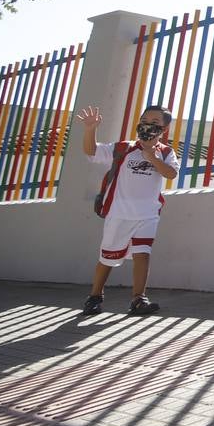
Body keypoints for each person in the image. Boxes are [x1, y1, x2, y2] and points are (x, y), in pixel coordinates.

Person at [77, 104, 180, 316]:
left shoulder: (167, 153)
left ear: (164, 129)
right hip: (119, 214)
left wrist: (151, 154)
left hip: (148, 215)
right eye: (145, 121)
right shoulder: (123, 148)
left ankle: (138, 299)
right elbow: (91, 151)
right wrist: (90, 129)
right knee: (108, 258)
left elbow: (170, 174)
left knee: (143, 254)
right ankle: (95, 296)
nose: (148, 126)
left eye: (155, 123)